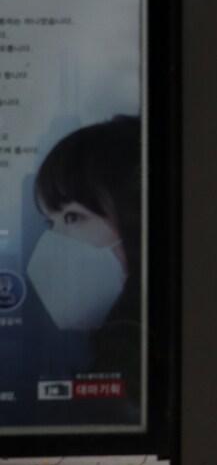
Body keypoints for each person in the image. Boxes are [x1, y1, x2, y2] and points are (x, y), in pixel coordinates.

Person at [24, 115, 142, 422]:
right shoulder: (118, 342)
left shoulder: (134, 354)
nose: (54, 242)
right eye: (51, 223)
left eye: (74, 217)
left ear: (135, 219)